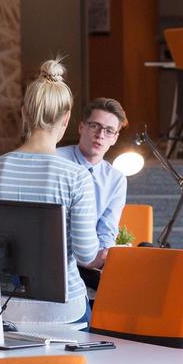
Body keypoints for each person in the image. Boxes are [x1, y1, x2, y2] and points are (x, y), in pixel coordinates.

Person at [0, 59, 101, 324]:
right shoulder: (76, 176)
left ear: (24, 114)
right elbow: (87, 255)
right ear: (67, 119)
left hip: (4, 310)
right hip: (64, 311)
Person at [57, 97, 130, 289]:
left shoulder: (116, 179)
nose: (100, 135)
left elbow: (107, 230)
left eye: (109, 131)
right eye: (94, 126)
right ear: (81, 127)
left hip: (89, 261)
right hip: (56, 256)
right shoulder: (56, 160)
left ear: (115, 138)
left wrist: (101, 256)